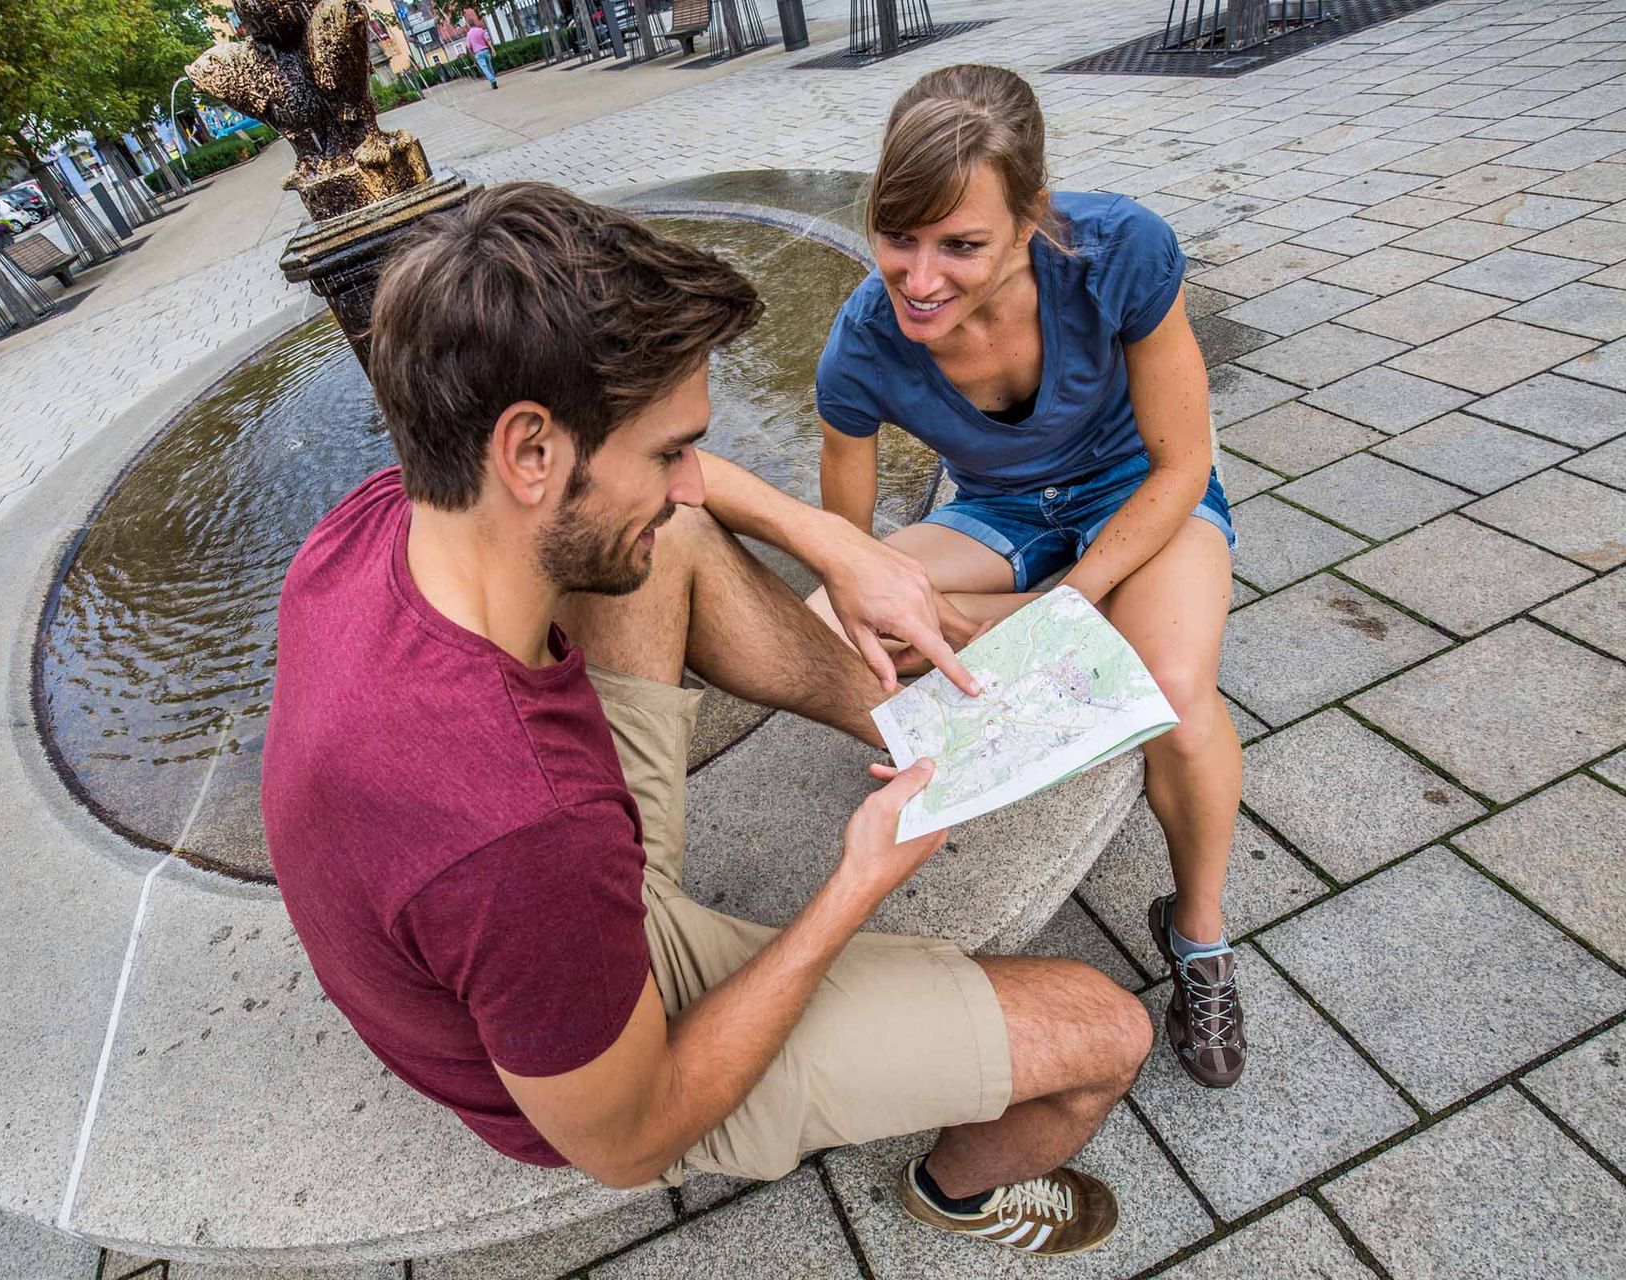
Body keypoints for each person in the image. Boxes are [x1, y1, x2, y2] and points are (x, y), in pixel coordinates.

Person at [263, 182, 1152, 1257]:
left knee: (660, 539)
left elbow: (676, 508)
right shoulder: (518, 834)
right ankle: (956, 1189)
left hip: (543, 910)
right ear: (531, 450)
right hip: (612, 1063)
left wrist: (837, 543)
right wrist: (853, 886)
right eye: (670, 448)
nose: (694, 477)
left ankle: (928, 727)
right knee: (1108, 1033)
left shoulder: (379, 521)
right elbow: (631, 1137)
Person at [810, 65, 1245, 1089]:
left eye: (960, 244)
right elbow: (847, 555)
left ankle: (1199, 931)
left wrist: (1078, 593)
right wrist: (887, 660)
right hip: (1002, 514)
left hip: (1137, 491)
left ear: (1030, 218)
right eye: (897, 236)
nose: (917, 277)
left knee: (1175, 695)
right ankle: (1008, 625)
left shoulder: (1118, 252)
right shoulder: (862, 343)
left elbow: (1183, 460)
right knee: (826, 621)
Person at [464, 16, 498, 89]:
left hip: (478, 53)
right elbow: (488, 40)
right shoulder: (481, 30)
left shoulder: (469, 34)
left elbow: (469, 47)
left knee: (484, 68)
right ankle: (493, 79)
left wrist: (472, 55)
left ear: (469, 25)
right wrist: (493, 49)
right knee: (489, 66)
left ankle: (492, 80)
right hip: (486, 50)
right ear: (474, 23)